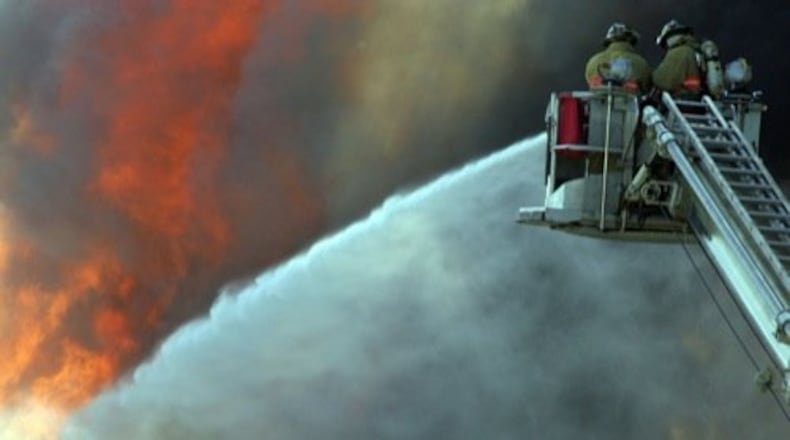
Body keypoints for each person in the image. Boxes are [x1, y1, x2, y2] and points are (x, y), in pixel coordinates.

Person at [585, 22, 651, 94]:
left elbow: (590, 82)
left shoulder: (593, 61)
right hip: (629, 104)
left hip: (599, 103)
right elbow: (646, 87)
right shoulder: (641, 63)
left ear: (608, 40)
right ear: (630, 40)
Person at [652, 19, 704, 98]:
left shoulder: (678, 52)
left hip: (682, 100)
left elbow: (664, 81)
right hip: (700, 99)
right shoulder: (696, 50)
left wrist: (651, 77)